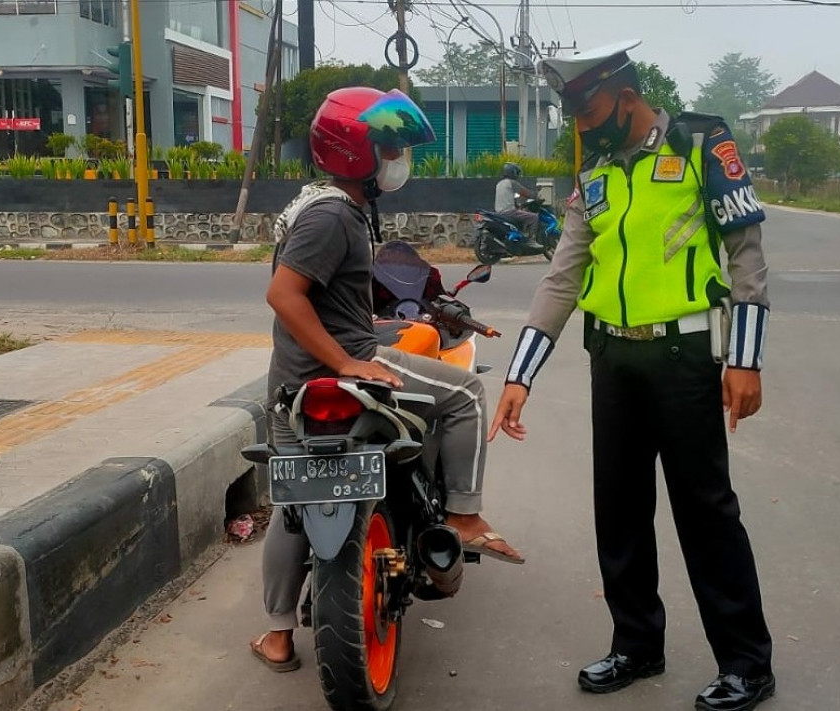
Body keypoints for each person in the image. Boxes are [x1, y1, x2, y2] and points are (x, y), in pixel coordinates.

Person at [490, 39, 776, 711]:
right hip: (613, 360)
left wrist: (745, 358)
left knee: (705, 512)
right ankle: (637, 642)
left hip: (683, 360)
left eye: (587, 113)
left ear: (625, 98)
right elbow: (563, 276)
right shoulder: (594, 173)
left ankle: (745, 662)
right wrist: (519, 375)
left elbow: (746, 256)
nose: (580, 130)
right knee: (617, 508)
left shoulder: (702, 146)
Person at [251, 86, 524, 673]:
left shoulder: (320, 205)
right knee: (467, 396)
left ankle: (276, 635)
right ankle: (463, 515)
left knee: (294, 503)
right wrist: (348, 361)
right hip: (337, 364)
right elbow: (283, 294)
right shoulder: (333, 215)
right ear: (356, 151)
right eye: (391, 146)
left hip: (292, 382)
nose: (399, 157)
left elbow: (328, 299)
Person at [494, 161, 541, 245]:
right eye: (517, 172)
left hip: (499, 212)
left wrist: (517, 205)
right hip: (509, 212)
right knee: (534, 217)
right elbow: (525, 193)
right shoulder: (512, 183)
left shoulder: (499, 183)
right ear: (513, 172)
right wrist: (535, 195)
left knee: (521, 213)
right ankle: (531, 241)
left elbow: (508, 197)